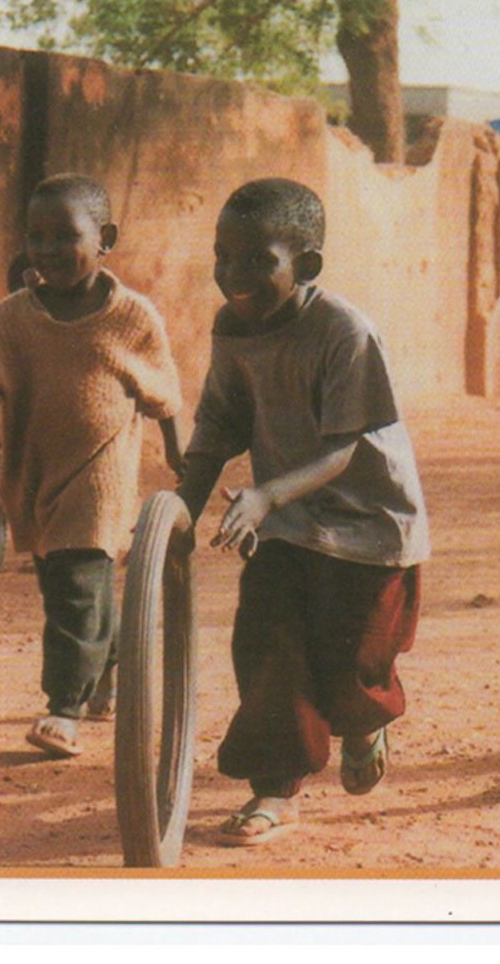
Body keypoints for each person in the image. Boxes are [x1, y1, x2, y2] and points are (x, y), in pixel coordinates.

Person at [0, 173, 185, 759]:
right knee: (72, 587)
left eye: (64, 235)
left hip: (101, 473)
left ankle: (63, 709)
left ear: (105, 239)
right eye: (36, 236)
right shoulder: (9, 320)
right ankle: (104, 674)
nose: (47, 250)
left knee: (77, 584)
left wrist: (179, 455)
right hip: (36, 473)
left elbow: (164, 394)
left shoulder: (133, 318)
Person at [175, 177, 429, 847]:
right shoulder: (232, 326)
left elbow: (343, 449)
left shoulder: (342, 331)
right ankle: (275, 790)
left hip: (369, 526)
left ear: (306, 266)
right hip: (287, 525)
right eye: (222, 256)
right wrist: (178, 515)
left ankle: (364, 722)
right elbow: (217, 426)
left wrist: (263, 495)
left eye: (258, 259)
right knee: (268, 648)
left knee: (353, 672)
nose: (233, 275)